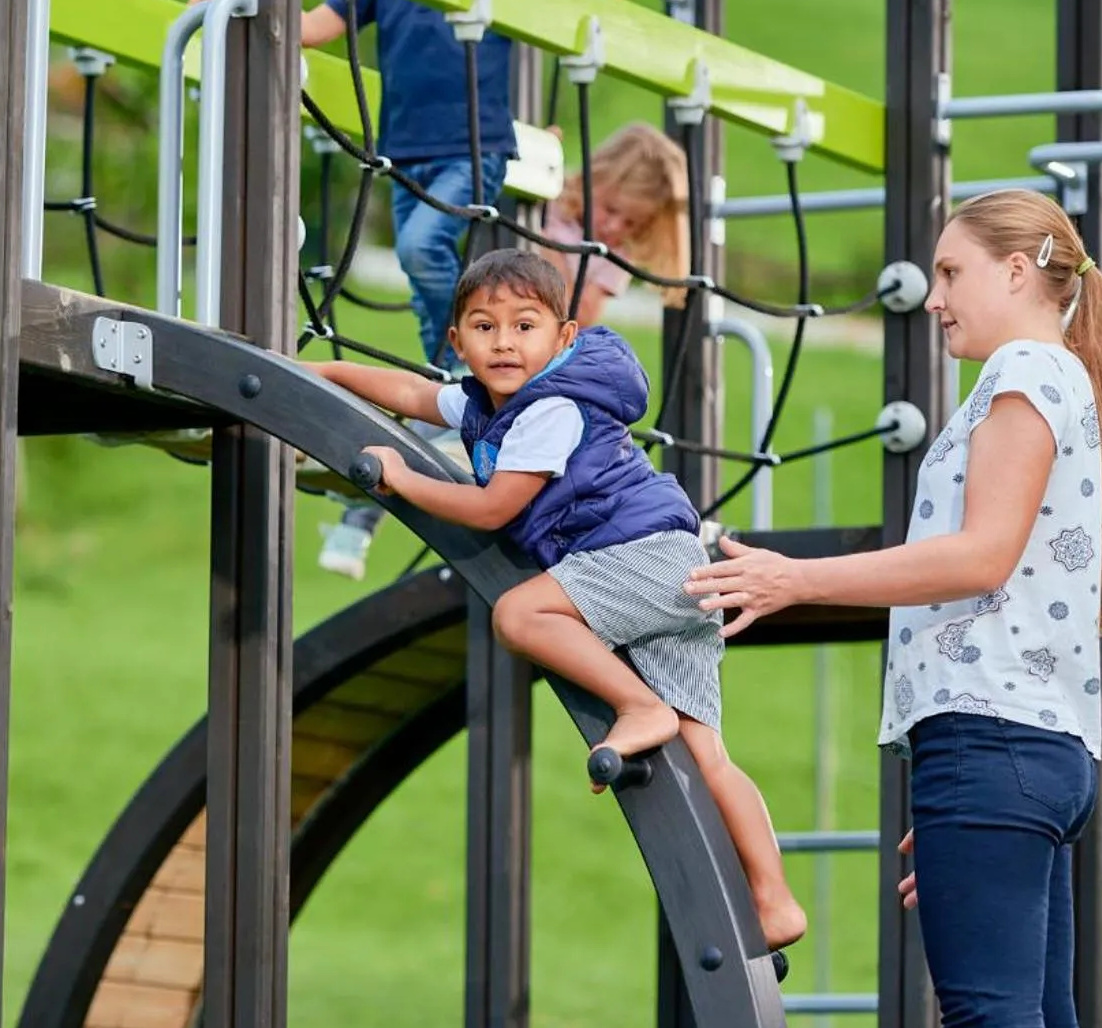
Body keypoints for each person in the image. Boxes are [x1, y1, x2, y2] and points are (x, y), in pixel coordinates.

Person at [683, 188, 1102, 1028]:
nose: (932, 298)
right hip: (1025, 752)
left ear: (1017, 269)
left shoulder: (1025, 369)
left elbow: (978, 556)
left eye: (950, 272)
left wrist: (791, 576)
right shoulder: (1053, 376)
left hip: (992, 747)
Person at [207, 0, 683, 578]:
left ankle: (444, 369)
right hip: (402, 157)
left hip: (474, 153)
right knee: (422, 254)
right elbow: (312, 26)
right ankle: (443, 364)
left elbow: (565, 19)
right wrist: (239, 3)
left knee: (430, 247)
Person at [310, 248, 807, 951]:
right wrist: (328, 374)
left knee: (520, 612)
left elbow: (491, 509)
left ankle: (640, 705)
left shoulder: (551, 410)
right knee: (707, 753)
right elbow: (416, 395)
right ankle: (774, 897)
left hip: (642, 558)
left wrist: (402, 478)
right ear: (458, 342)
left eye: (524, 325)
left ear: (563, 338)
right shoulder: (485, 401)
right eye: (484, 327)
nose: (504, 342)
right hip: (669, 568)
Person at [536, 121, 691, 326]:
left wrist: (549, 251)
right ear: (595, 178)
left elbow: (581, 317)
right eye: (610, 209)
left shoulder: (615, 256)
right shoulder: (553, 195)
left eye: (631, 223)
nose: (614, 227)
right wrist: (538, 153)